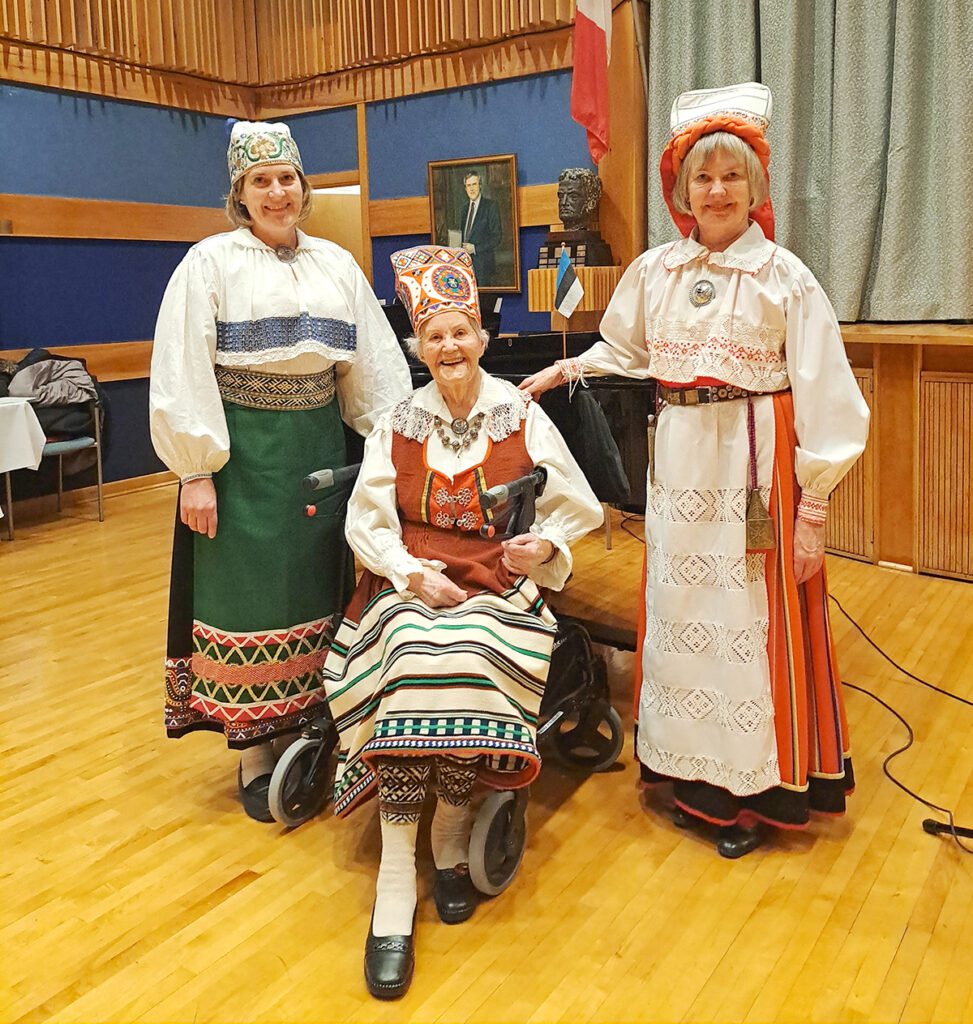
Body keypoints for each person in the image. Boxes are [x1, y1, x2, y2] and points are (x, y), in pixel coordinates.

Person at [522, 82, 869, 859]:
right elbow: (627, 349)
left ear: (754, 188)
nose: (716, 191)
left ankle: (753, 791)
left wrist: (812, 505)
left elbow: (828, 396)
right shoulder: (656, 271)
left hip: (754, 462)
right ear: (682, 189)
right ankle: (687, 772)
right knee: (682, 614)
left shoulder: (785, 277)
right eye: (702, 178)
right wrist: (565, 370)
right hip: (680, 456)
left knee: (748, 619)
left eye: (731, 177)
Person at [322, 245, 603, 999]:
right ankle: (395, 877)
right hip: (412, 583)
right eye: (433, 336)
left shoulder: (519, 414)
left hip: (499, 585)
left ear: (481, 338)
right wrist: (410, 574)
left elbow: (579, 508)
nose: (448, 348)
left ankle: (448, 838)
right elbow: (366, 521)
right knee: (415, 650)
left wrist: (544, 543)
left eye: (460, 333)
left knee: (470, 653)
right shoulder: (397, 423)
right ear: (419, 346)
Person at [149, 120, 412, 822]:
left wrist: (389, 446)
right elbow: (181, 367)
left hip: (321, 451)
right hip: (242, 460)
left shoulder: (335, 265)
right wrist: (194, 471)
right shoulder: (208, 264)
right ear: (239, 193)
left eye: (287, 179)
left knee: (314, 591)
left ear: (304, 187)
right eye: (260, 182)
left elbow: (374, 369)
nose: (276, 193)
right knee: (248, 598)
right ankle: (254, 750)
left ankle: (304, 726)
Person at [458, 170, 502, 286]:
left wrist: (476, 248)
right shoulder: (464, 209)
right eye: (469, 185)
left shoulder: (490, 206)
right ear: (465, 188)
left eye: (474, 184)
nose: (472, 188)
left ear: (480, 186)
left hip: (484, 268)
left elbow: (496, 237)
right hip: (465, 267)